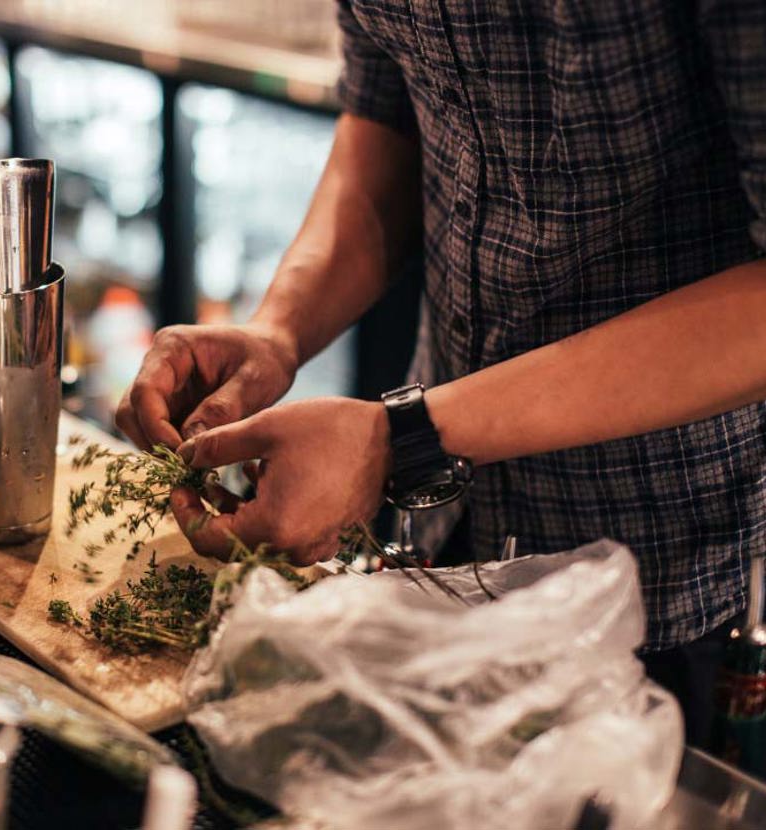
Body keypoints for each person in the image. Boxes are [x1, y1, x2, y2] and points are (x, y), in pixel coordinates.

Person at [115, 1, 766, 745]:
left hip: (676, 573)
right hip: (451, 525)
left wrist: (404, 437)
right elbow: (386, 119)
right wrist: (278, 333)